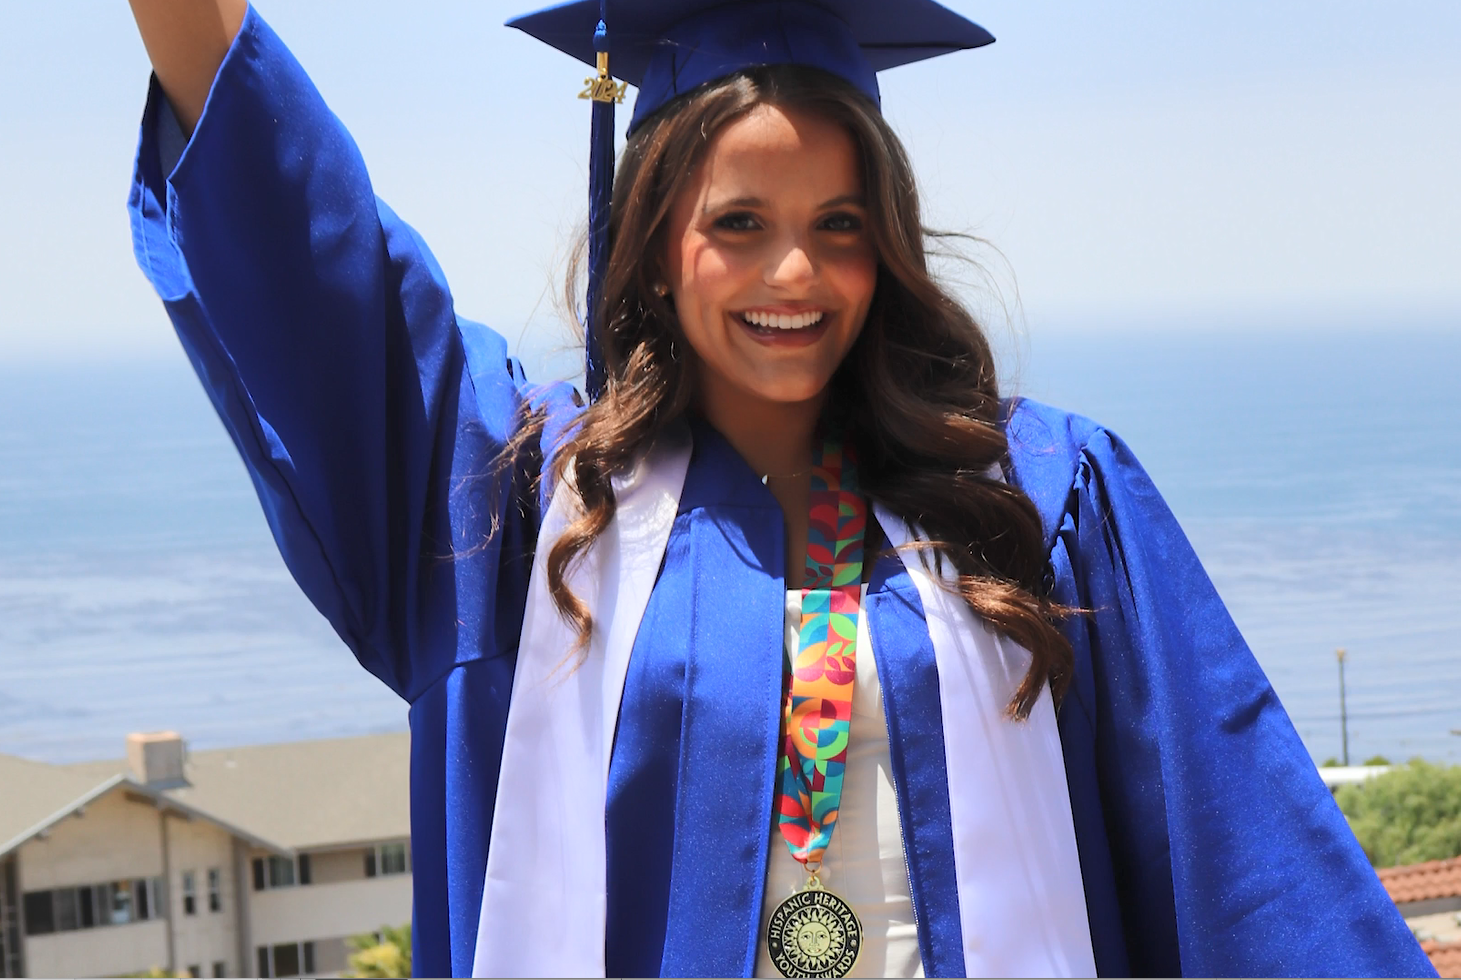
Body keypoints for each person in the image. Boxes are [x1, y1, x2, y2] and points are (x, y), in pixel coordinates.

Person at [123, 0, 1434, 976]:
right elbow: (311, 258)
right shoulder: (527, 510)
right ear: (655, 238)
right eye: (738, 223)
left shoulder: (1036, 496)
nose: (794, 275)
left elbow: (1245, 862)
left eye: (838, 225)